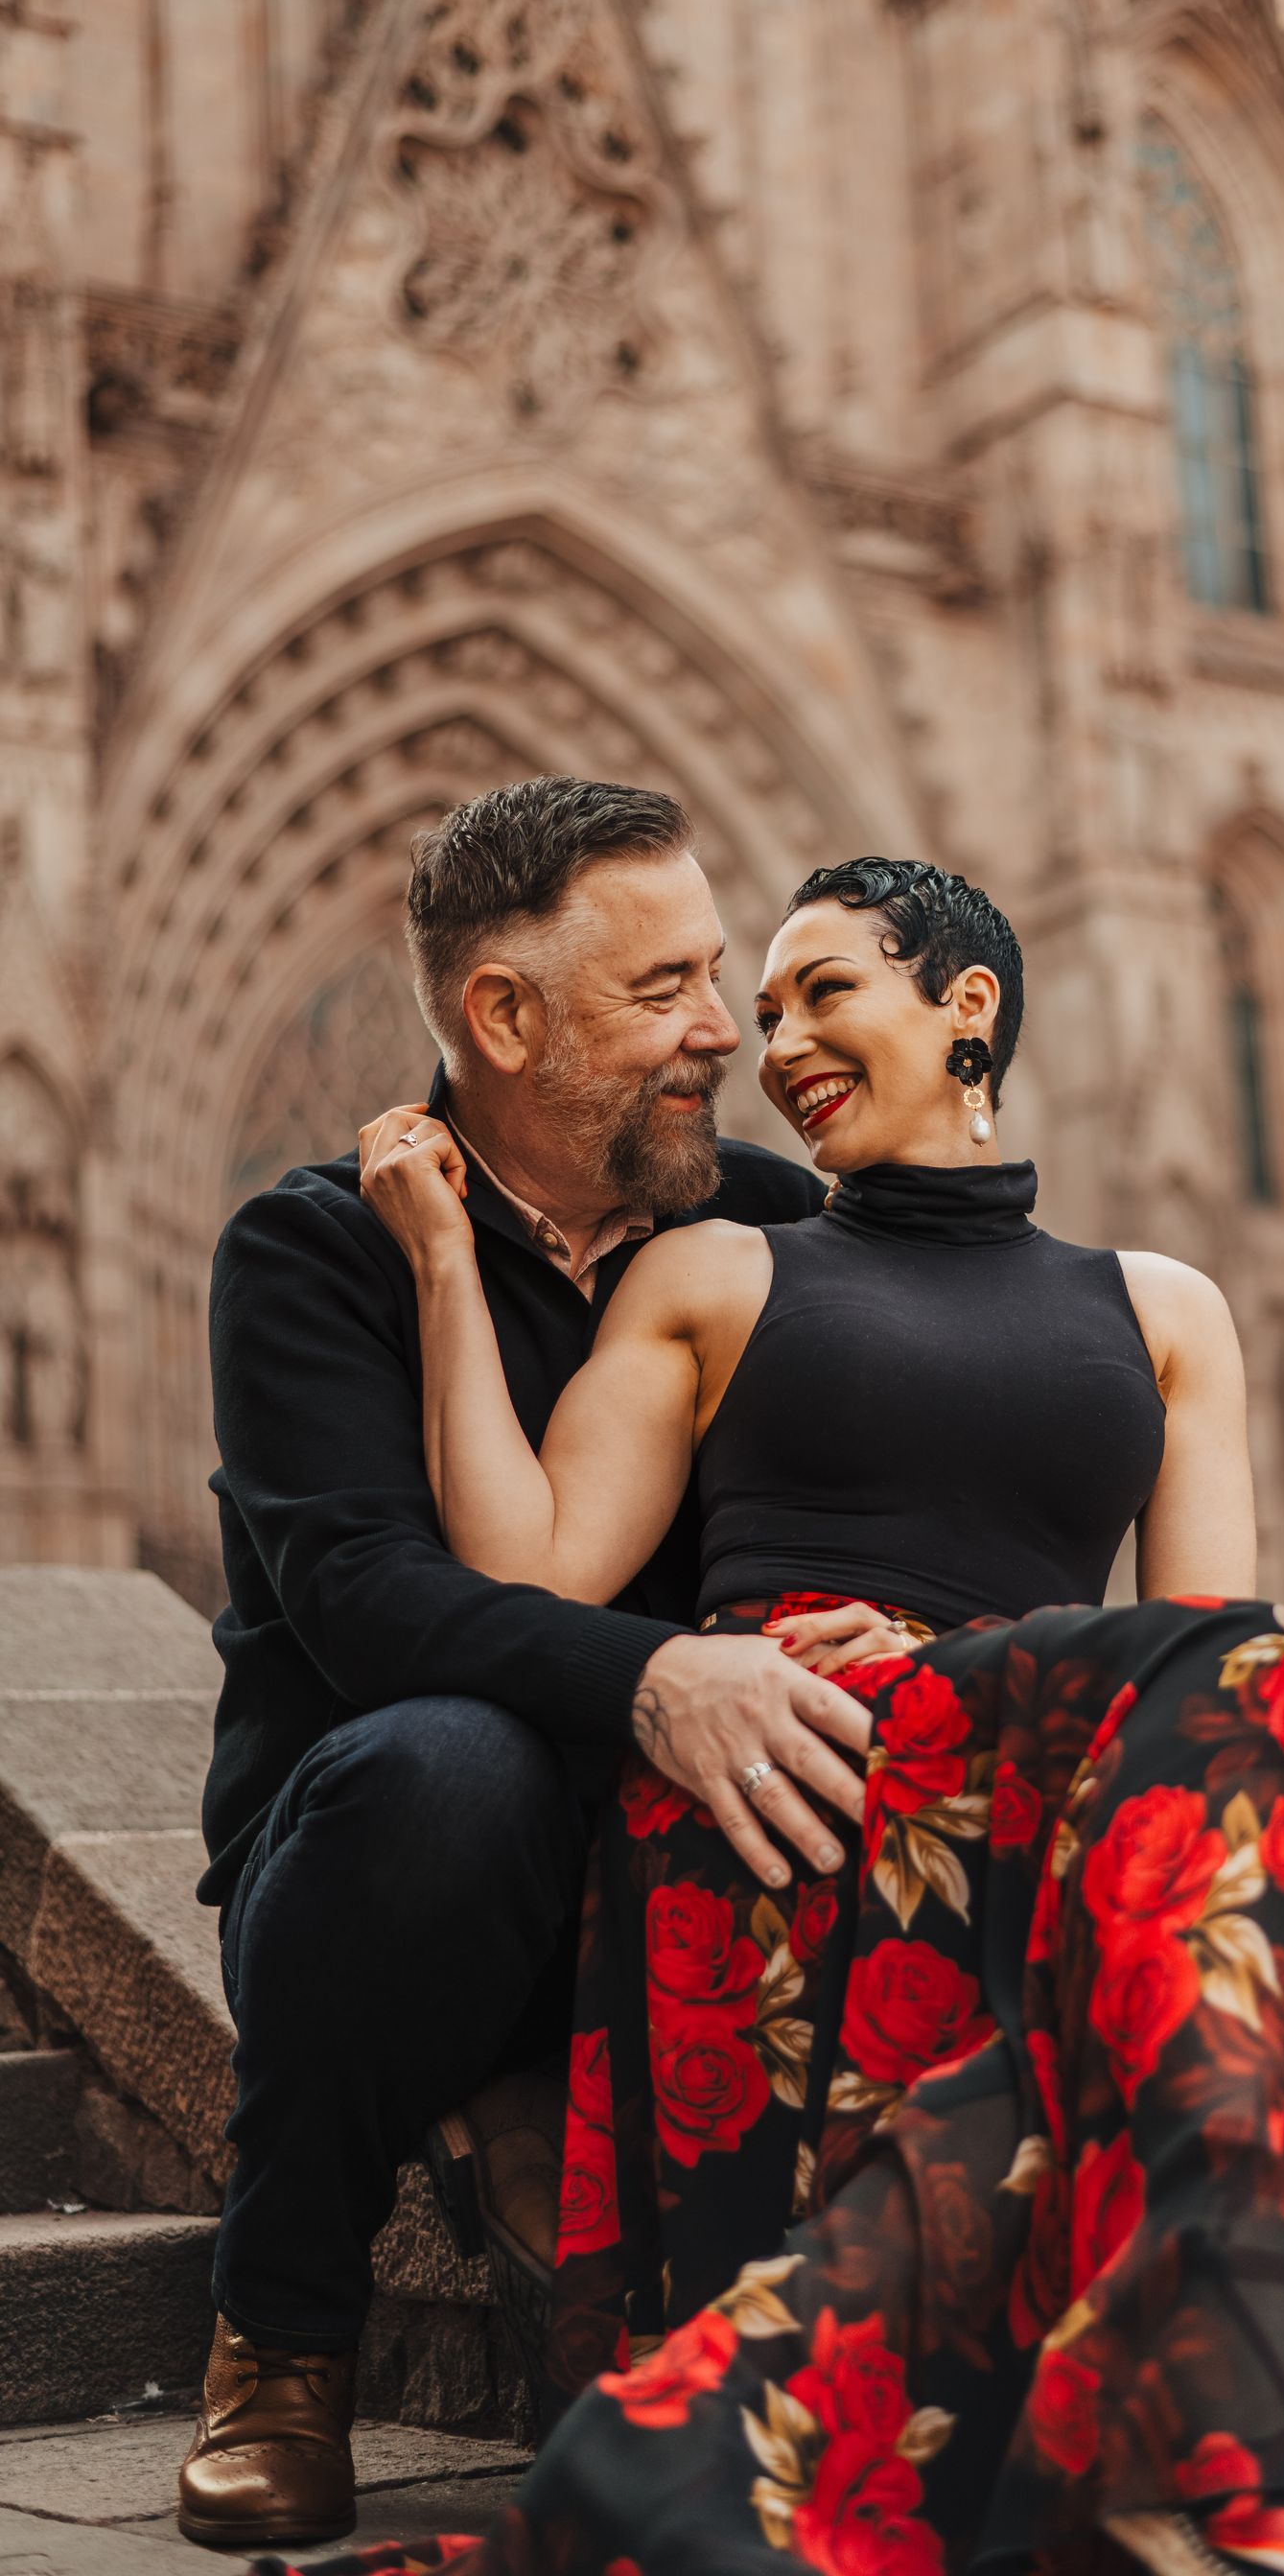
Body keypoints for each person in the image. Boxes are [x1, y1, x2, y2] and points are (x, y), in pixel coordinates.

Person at [338, 857, 1284, 2576]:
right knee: (1265, 1704)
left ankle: (1220, 2432)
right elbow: (531, 1576)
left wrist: (982, 1651)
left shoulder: (1168, 1309)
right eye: (762, 1014)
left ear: (968, 1007)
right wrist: (441, 1274)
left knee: (1267, 1689)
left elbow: (1203, 1667)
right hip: (789, 1765)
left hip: (1034, 1767)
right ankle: (1245, 2443)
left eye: (822, 990)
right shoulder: (713, 1271)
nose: (778, 1042)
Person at [180, 781, 911, 2551]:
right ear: (503, 1017)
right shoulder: (311, 1249)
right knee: (452, 1765)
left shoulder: (760, 1221)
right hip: (392, 1856)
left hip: (677, 1846)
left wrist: (876, 1616)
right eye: (665, 990)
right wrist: (657, 1678)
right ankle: (279, 2337)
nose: (722, 1033)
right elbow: (367, 1603)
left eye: (717, 976)